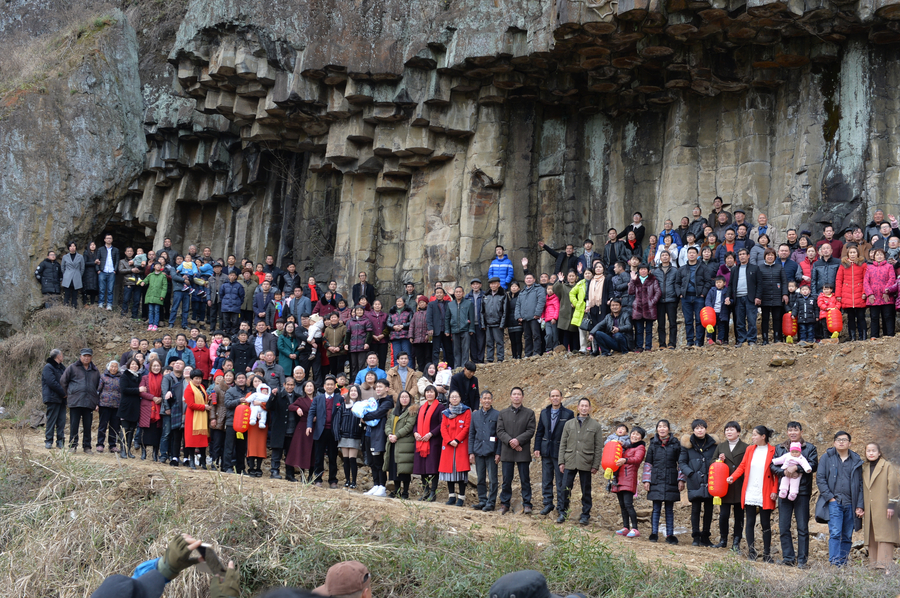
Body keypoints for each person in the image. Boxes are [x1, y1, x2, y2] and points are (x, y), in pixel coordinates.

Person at [727, 425, 778, 561]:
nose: (752, 437)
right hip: (750, 489)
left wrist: (774, 490)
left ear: (763, 436)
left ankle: (767, 554)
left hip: (765, 490)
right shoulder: (750, 449)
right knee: (749, 521)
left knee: (765, 523)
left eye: (755, 435)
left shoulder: (773, 450)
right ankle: (752, 552)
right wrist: (733, 476)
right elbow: (742, 466)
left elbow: (777, 474)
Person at [815, 431, 865, 566]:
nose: (841, 442)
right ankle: (835, 562)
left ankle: (842, 563)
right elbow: (820, 479)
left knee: (847, 535)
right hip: (834, 502)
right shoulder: (827, 458)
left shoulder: (856, 460)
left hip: (851, 503)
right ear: (834, 443)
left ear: (850, 443)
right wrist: (830, 498)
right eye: (838, 439)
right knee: (835, 533)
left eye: (844, 439)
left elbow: (861, 484)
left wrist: (860, 504)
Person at [772, 421, 818, 568]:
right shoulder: (780, 448)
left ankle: (802, 560)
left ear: (801, 432)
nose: (793, 433)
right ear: (787, 432)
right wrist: (784, 472)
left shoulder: (809, 448)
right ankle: (788, 558)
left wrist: (796, 468)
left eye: (795, 430)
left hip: (802, 492)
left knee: (802, 527)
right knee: (784, 526)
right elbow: (773, 465)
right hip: (784, 492)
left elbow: (813, 465)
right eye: (790, 430)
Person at [556, 397, 602, 525]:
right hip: (570, 460)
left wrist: (595, 465)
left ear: (590, 408)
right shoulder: (569, 424)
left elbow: (598, 447)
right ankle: (562, 512)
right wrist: (561, 462)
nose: (584, 408)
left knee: (586, 490)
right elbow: (563, 444)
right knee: (565, 488)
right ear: (578, 407)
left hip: (586, 462)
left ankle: (585, 515)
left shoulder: (595, 425)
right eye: (582, 406)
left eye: (586, 406)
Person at [860, 442, 900, 569]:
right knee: (872, 537)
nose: (871, 453)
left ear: (879, 452)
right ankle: (874, 567)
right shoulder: (864, 468)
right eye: (868, 451)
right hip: (870, 509)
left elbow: (893, 486)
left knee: (885, 535)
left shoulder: (887, 466)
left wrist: (891, 505)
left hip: (885, 508)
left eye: (873, 450)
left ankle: (885, 567)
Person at [534, 389, 574, 517]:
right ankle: (548, 504)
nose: (555, 398)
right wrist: (537, 447)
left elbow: (570, 435)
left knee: (561, 482)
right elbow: (539, 431)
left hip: (560, 453)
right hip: (546, 451)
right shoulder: (544, 412)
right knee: (546, 480)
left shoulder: (568, 414)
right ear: (549, 398)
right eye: (552, 396)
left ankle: (562, 508)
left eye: (557, 396)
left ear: (561, 398)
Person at [642, 419, 683, 544]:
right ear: (657, 429)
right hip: (656, 479)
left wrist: (681, 480)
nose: (662, 429)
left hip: (671, 479)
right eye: (659, 426)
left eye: (664, 426)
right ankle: (654, 533)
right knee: (656, 508)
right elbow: (648, 464)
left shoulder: (676, 444)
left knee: (669, 509)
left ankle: (670, 534)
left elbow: (680, 463)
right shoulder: (653, 444)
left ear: (669, 429)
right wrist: (646, 480)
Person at [497, 387, 536, 515]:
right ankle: (505, 503)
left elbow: (530, 430)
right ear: (510, 396)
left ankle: (527, 503)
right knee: (506, 479)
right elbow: (500, 431)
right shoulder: (503, 413)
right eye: (514, 394)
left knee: (525, 479)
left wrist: (518, 441)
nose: (516, 396)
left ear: (522, 397)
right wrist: (511, 442)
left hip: (522, 451)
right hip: (507, 451)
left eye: (519, 394)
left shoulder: (529, 413)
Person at [679, 419, 718, 547]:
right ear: (693, 430)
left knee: (709, 509)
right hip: (694, 481)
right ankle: (695, 536)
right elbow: (682, 462)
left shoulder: (714, 445)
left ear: (706, 429)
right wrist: (690, 473)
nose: (699, 430)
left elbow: (717, 461)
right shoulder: (687, 445)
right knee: (695, 509)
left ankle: (706, 537)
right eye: (697, 428)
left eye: (702, 428)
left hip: (710, 481)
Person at [712, 422, 748, 550]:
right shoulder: (721, 446)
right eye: (726, 430)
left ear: (738, 432)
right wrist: (719, 460)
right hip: (724, 486)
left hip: (739, 484)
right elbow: (712, 462)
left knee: (739, 516)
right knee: (724, 515)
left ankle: (736, 542)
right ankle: (723, 540)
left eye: (732, 429)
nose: (729, 432)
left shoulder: (746, 447)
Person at [61, 348, 101, 453]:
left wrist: (96, 401)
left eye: (88, 356)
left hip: (89, 402)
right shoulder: (72, 368)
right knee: (74, 425)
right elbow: (63, 381)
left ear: (91, 357)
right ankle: (72, 446)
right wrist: (68, 394)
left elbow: (98, 387)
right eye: (84, 356)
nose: (86, 358)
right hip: (75, 401)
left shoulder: (95, 371)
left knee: (87, 426)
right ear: (80, 356)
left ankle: (87, 447)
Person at [610, 426, 646, 537]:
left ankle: (635, 528)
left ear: (641, 438)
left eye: (637, 435)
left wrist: (625, 460)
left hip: (629, 478)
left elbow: (637, 460)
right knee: (622, 504)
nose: (634, 436)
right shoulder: (626, 446)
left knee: (628, 504)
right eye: (633, 433)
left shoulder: (640, 447)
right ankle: (626, 527)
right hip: (619, 478)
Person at [307, 375, 341, 487]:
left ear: (335, 386)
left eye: (332, 384)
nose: (330, 386)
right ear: (324, 386)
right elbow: (311, 412)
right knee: (318, 456)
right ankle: (318, 479)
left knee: (332, 456)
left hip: (333, 431)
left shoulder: (339, 398)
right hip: (320, 431)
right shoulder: (318, 398)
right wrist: (309, 425)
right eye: (328, 385)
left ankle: (333, 480)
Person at [438, 389, 471, 506]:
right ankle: (451, 496)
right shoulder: (446, 412)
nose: (454, 399)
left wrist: (457, 440)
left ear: (460, 398)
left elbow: (467, 427)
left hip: (460, 444)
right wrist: (448, 440)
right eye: (452, 397)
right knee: (448, 471)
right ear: (449, 399)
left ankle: (461, 497)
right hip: (448, 446)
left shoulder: (466, 411)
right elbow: (443, 428)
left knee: (461, 472)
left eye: (456, 397)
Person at [362, 379, 394, 496]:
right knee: (371, 461)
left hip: (380, 434)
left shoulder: (387, 402)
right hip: (369, 433)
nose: (378, 389)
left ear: (387, 388)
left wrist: (364, 416)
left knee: (379, 461)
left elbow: (378, 414)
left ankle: (382, 486)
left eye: (381, 387)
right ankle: (375, 485)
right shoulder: (375, 401)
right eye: (377, 387)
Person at [469, 390, 500, 512]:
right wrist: (471, 452)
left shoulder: (497, 415)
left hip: (491, 452)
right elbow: (471, 434)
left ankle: (491, 502)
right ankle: (482, 500)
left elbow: (499, 435)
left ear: (492, 400)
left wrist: (498, 452)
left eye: (489, 398)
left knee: (493, 479)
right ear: (481, 400)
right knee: (480, 478)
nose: (487, 400)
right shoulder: (475, 415)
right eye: (484, 398)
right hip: (478, 451)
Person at [413, 385, 444, 501]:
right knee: (422, 467)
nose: (429, 394)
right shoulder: (422, 408)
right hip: (420, 441)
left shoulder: (440, 407)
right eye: (427, 392)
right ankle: (425, 490)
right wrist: (416, 433)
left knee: (433, 467)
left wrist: (431, 434)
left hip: (433, 441)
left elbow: (442, 424)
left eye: (431, 392)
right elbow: (415, 423)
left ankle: (433, 492)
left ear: (436, 394)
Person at [285, 379, 317, 481]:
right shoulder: (301, 399)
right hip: (302, 427)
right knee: (303, 451)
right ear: (304, 388)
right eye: (307, 386)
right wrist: (297, 409)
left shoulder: (318, 398)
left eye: (311, 386)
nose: (309, 388)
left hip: (316, 427)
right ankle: (303, 475)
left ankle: (311, 475)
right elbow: (291, 406)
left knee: (313, 452)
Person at [334, 384, 364, 487]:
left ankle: (354, 482)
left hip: (355, 436)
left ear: (358, 393)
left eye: (356, 391)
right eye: (352, 391)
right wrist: (337, 434)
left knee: (352, 459)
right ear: (349, 393)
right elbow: (337, 420)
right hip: (344, 436)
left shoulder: (361, 406)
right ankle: (347, 480)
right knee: (345, 459)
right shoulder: (343, 406)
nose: (353, 393)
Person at [757, 248, 789, 344]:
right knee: (765, 319)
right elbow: (758, 283)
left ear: (775, 257)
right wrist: (758, 296)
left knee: (777, 318)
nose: (770, 257)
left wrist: (784, 294)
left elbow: (784, 282)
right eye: (768, 255)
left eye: (772, 255)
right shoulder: (760, 267)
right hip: (764, 296)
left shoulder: (779, 267)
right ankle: (765, 339)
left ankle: (776, 338)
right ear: (765, 256)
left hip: (777, 296)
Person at [182, 369, 210, 469]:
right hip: (192, 417)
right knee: (191, 440)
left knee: (202, 439)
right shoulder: (189, 389)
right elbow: (191, 404)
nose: (198, 381)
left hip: (202, 417)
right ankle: (192, 461)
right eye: (196, 378)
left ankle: (203, 461)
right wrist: (204, 407)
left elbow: (204, 398)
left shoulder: (202, 387)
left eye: (200, 378)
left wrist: (208, 399)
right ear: (192, 379)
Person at [864, 248, 895, 338]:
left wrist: (886, 291)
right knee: (874, 317)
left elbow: (892, 279)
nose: (879, 256)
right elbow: (866, 282)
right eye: (877, 255)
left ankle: (890, 335)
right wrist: (870, 294)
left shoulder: (889, 266)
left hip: (886, 296)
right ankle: (874, 336)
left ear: (884, 256)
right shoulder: (869, 268)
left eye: (881, 254)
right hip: (873, 296)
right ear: (874, 257)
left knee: (888, 316)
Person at [515, 271, 546, 358]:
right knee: (527, 336)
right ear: (524, 280)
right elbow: (518, 305)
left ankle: (536, 352)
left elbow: (541, 301)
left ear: (534, 280)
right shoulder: (522, 292)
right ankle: (528, 353)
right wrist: (518, 316)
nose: (528, 280)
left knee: (536, 335)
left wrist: (537, 313)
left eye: (530, 278)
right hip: (524, 318)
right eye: (527, 278)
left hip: (534, 317)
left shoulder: (539, 289)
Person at [138, 360, 164, 462]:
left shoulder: (164, 378)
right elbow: (141, 392)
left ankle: (155, 453)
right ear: (150, 367)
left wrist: (160, 398)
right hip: (147, 407)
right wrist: (153, 397)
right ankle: (143, 452)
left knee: (157, 431)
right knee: (144, 430)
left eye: (158, 366)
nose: (156, 368)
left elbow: (165, 390)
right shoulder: (145, 378)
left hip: (159, 406)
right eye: (154, 366)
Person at [42, 349, 67, 449]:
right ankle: (49, 441)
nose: (63, 356)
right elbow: (52, 382)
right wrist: (63, 393)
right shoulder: (48, 367)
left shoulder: (62, 368)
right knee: (51, 420)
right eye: (62, 355)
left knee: (61, 421)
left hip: (61, 399)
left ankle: (60, 441)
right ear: (58, 356)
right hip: (52, 398)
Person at [96, 361, 123, 454]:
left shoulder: (121, 378)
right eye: (112, 366)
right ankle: (100, 444)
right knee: (103, 425)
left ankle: (112, 445)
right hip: (104, 404)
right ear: (108, 367)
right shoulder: (103, 376)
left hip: (117, 405)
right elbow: (98, 390)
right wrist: (96, 403)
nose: (114, 368)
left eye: (116, 367)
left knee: (114, 426)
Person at [425, 287, 451, 367]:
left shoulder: (448, 303)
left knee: (448, 349)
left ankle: (450, 365)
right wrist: (430, 328)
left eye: (441, 292)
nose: (439, 294)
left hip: (446, 330)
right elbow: (428, 317)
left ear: (444, 294)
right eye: (437, 293)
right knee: (435, 350)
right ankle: (435, 366)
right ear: (435, 295)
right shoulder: (431, 304)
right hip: (436, 330)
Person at [483, 277, 507, 362]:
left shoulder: (503, 295)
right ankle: (490, 359)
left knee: (499, 342)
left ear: (499, 284)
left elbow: (505, 311)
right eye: (491, 284)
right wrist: (483, 323)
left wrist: (502, 324)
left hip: (498, 323)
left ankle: (500, 358)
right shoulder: (486, 295)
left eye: (495, 283)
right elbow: (482, 311)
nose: (493, 285)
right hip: (488, 323)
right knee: (489, 343)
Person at [387, 297, 413, 362]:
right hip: (395, 336)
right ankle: (397, 371)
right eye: (397, 301)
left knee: (407, 355)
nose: (399, 303)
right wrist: (393, 326)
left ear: (404, 303)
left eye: (400, 301)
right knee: (396, 356)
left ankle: (408, 371)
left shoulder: (409, 312)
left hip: (405, 336)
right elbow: (388, 322)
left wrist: (403, 326)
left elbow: (411, 322)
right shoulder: (392, 312)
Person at [366, 299, 389, 370]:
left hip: (383, 341)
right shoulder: (368, 315)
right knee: (372, 359)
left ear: (381, 306)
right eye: (375, 304)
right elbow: (367, 326)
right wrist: (373, 335)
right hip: (372, 341)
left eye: (379, 304)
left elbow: (388, 326)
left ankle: (382, 373)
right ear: (373, 306)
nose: (377, 306)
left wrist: (383, 335)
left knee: (382, 358)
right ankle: (372, 373)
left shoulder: (385, 315)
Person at [505, 281, 523, 359]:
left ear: (518, 288)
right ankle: (514, 355)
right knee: (512, 340)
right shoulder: (507, 297)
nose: (514, 288)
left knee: (518, 339)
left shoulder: (521, 296)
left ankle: (519, 354)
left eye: (515, 286)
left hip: (518, 320)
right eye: (512, 286)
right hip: (510, 321)